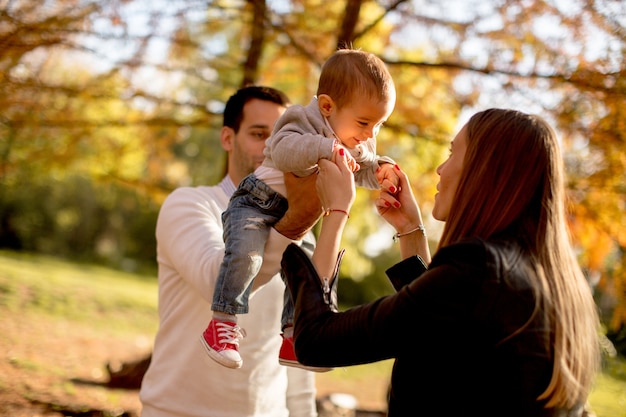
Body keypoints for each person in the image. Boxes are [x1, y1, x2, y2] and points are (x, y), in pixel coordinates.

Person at [282, 108, 601, 416]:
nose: (440, 169)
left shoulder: (479, 270)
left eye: (452, 154)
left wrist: (333, 212)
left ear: (483, 171)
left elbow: (316, 342)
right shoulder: (554, 283)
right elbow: (439, 334)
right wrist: (410, 231)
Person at [202, 48, 400, 369]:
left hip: (294, 214)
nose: (369, 134)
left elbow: (359, 169)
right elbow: (284, 152)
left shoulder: (356, 141)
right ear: (327, 106)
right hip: (256, 202)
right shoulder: (301, 119)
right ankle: (222, 322)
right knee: (245, 254)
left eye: (379, 125)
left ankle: (296, 335)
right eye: (364, 122)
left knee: (308, 270)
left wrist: (381, 171)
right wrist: (326, 147)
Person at [139, 86, 322, 417]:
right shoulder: (190, 204)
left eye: (282, 135)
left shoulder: (297, 223)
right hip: (178, 411)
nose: (271, 147)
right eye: (258, 133)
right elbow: (217, 282)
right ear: (227, 138)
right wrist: (293, 226)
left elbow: (295, 345)